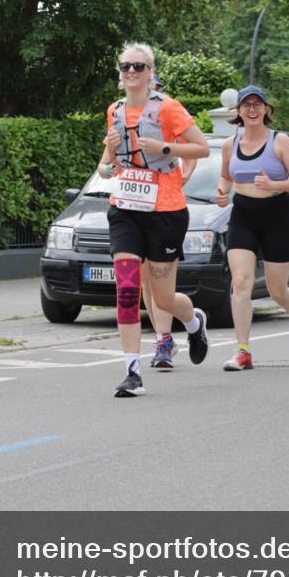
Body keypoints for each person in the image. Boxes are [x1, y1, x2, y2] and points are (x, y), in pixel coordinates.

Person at [97, 43, 210, 396]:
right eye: (126, 66)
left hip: (165, 211)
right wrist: (109, 157)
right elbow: (104, 166)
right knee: (128, 290)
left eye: (139, 66)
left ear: (150, 71)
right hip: (126, 209)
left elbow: (201, 147)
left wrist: (163, 148)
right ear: (120, 73)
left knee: (162, 299)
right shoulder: (114, 111)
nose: (131, 72)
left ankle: (194, 322)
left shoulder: (169, 109)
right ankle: (132, 371)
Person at [215, 85, 289, 370]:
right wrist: (222, 192)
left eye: (258, 104)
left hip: (277, 216)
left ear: (267, 109)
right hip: (243, 215)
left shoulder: (279, 141)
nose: (252, 109)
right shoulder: (230, 144)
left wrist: (274, 185)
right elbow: (224, 178)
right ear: (238, 111)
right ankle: (243, 351)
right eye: (247, 105)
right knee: (241, 283)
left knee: (277, 289)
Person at [141, 69, 199, 370]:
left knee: (160, 285)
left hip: (166, 205)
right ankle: (163, 340)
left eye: (154, 85)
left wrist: (186, 171)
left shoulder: (168, 110)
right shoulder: (126, 113)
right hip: (135, 206)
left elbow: (193, 144)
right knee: (146, 283)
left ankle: (187, 322)